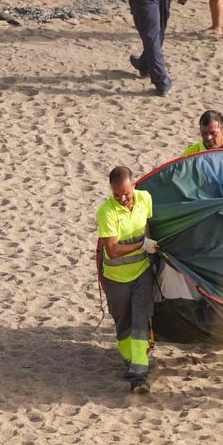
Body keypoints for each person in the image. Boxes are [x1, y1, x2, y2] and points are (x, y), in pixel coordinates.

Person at [96, 166, 158, 393]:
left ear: (134, 185)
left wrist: (151, 248)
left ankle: (139, 375)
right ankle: (129, 358)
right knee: (124, 321)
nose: (122, 198)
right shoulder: (106, 212)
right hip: (116, 278)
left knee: (142, 317)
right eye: (116, 194)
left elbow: (149, 227)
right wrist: (141, 245)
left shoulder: (145, 199)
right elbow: (112, 250)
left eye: (126, 193)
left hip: (142, 272)